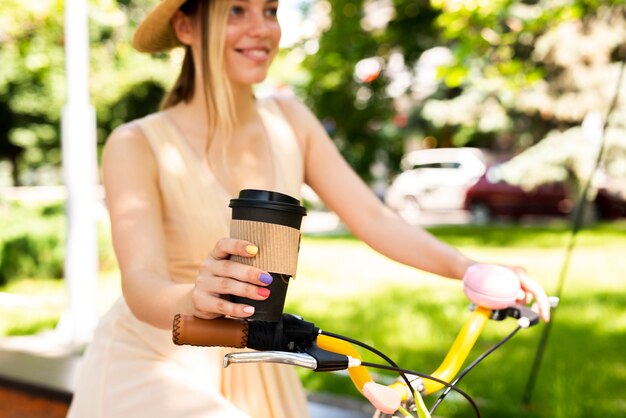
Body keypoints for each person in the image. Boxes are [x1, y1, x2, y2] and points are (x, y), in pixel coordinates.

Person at [66, 0, 551, 417]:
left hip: (256, 359)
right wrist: (194, 299)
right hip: (156, 361)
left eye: (271, 9)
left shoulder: (290, 120)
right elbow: (141, 283)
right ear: (186, 26)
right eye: (236, 9)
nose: (261, 27)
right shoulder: (137, 143)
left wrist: (472, 269)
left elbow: (374, 218)